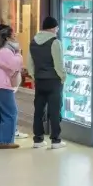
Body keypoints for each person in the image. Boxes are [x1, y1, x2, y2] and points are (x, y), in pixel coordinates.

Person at [26, 16, 66, 150]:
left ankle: (38, 139)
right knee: (55, 111)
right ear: (54, 28)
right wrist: (63, 77)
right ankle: (55, 140)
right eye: (57, 28)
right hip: (53, 80)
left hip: (39, 80)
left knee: (38, 110)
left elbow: (30, 63)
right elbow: (58, 63)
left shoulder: (33, 42)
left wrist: (33, 76)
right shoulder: (55, 42)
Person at [0, 26, 23, 150]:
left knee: (1, 113)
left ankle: (0, 140)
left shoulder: (0, 50)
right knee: (11, 112)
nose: (15, 37)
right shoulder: (6, 51)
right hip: (3, 85)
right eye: (14, 35)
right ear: (8, 37)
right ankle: (7, 141)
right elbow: (14, 64)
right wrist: (19, 54)